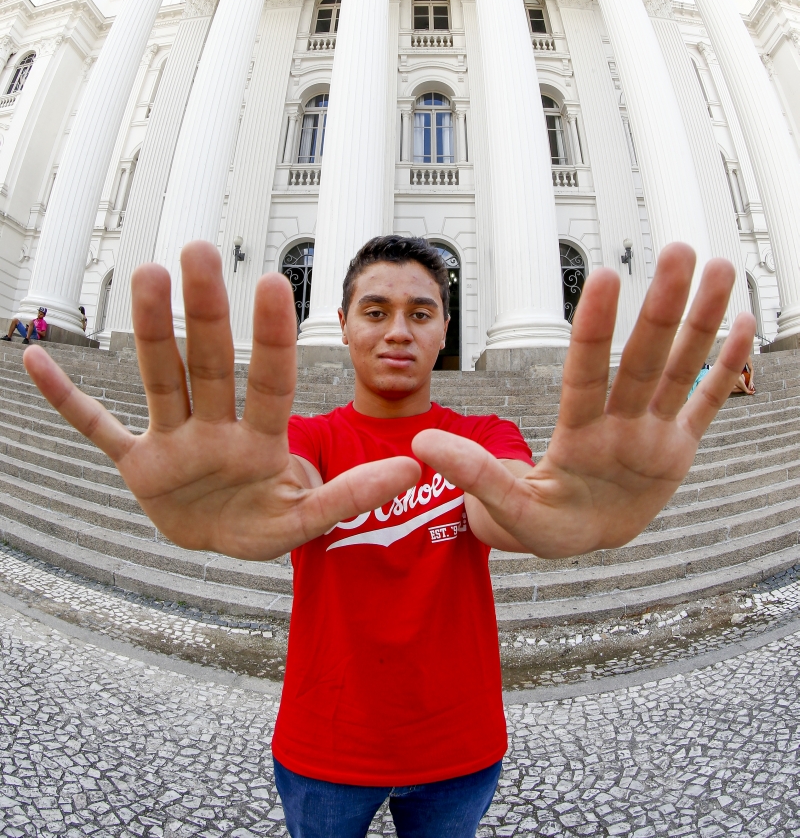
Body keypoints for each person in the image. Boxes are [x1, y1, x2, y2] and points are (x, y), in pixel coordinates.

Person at [22, 237, 754, 838]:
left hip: (458, 743)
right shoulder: (304, 438)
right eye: (376, 310)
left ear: (445, 327)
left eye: (420, 311)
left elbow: (499, 505)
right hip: (324, 742)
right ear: (342, 323)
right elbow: (289, 487)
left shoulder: (481, 435)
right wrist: (226, 509)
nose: (398, 329)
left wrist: (558, 520)